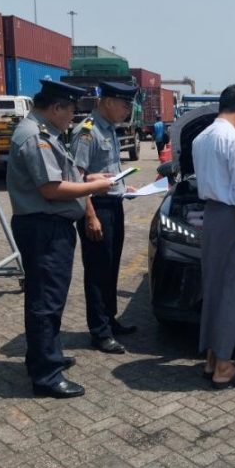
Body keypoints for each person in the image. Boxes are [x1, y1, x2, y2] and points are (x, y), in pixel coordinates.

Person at [7, 79, 113, 399]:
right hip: (43, 229)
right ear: (56, 108)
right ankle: (46, 376)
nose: (72, 119)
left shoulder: (45, 132)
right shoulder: (35, 136)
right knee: (46, 302)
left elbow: (61, 174)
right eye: (70, 112)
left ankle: (44, 356)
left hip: (49, 228)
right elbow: (51, 189)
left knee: (49, 299)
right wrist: (93, 188)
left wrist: (89, 178)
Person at [192, 85, 235, 389]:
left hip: (211, 216)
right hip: (233, 218)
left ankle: (212, 358)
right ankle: (223, 367)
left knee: (214, 289)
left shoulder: (200, 138)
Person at [71, 81, 139, 355]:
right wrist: (90, 216)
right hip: (96, 208)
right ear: (108, 102)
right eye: (124, 105)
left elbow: (107, 171)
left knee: (111, 267)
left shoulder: (108, 128)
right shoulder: (87, 132)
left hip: (113, 205)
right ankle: (99, 332)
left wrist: (123, 187)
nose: (127, 111)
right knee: (98, 272)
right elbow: (77, 177)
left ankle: (109, 320)